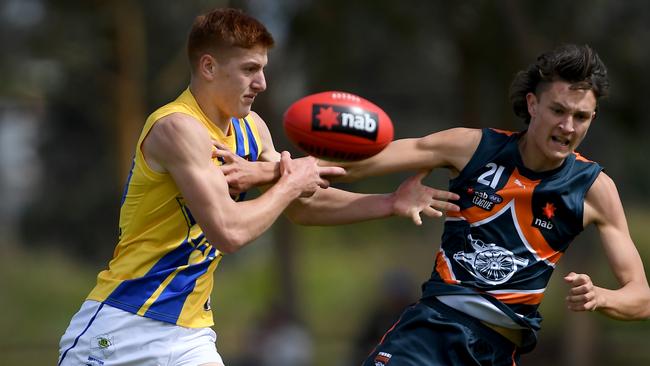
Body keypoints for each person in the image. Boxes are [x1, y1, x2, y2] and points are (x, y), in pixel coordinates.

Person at [57, 8, 458, 366]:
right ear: (209, 67)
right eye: (250, 69)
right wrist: (289, 182)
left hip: (189, 333)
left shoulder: (252, 130)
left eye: (263, 69)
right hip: (123, 325)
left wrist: (389, 201)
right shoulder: (177, 128)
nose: (262, 83)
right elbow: (229, 231)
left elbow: (303, 204)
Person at [326, 44, 650, 365]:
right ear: (533, 104)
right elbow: (359, 165)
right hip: (432, 333)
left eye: (580, 117)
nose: (567, 126)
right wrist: (284, 167)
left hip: (498, 352)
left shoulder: (594, 188)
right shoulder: (473, 147)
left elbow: (641, 297)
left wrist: (602, 297)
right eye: (558, 110)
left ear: (592, 118)